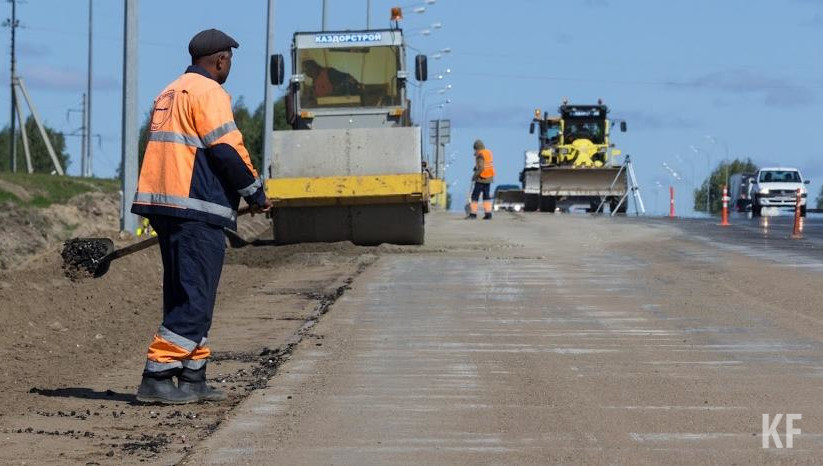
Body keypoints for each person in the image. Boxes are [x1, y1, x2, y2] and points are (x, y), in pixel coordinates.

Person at [131, 28, 271, 404]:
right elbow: (226, 149)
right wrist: (254, 191)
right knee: (195, 296)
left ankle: (193, 375)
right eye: (229, 60)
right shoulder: (209, 93)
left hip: (167, 204)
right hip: (196, 208)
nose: (229, 66)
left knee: (187, 293)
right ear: (221, 59)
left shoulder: (171, 90)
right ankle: (158, 375)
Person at [468, 139, 495, 220]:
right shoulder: (488, 152)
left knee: (475, 196)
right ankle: (488, 214)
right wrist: (475, 167)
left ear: (476, 148)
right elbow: (486, 164)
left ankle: (473, 214)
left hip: (481, 178)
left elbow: (481, 168)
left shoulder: (480, 154)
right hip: (489, 177)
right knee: (486, 196)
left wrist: (474, 176)